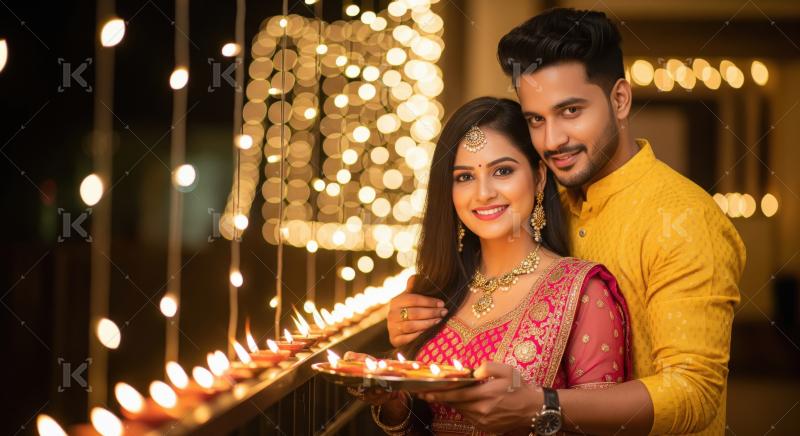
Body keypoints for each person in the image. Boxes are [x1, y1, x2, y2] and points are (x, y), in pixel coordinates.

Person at [388, 8, 746, 436]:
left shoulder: (684, 220)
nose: (552, 140)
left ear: (619, 100)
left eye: (571, 111)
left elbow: (694, 394)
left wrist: (543, 406)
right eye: (536, 119)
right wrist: (411, 320)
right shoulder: (541, 192)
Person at [353, 97, 633, 436]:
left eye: (502, 171)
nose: (483, 193)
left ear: (539, 177)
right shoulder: (436, 290)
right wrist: (393, 402)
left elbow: (606, 429)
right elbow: (419, 423)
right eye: (464, 177)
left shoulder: (582, 292)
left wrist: (531, 412)